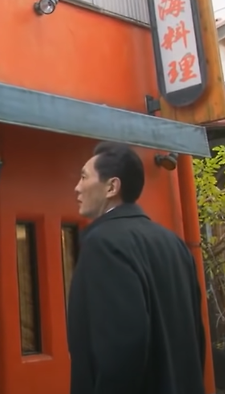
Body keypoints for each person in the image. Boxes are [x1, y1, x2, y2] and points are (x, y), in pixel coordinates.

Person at [67, 142, 206, 394]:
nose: (77, 187)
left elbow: (121, 346)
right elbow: (196, 337)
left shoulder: (104, 244)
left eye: (84, 177)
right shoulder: (173, 243)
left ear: (112, 187)